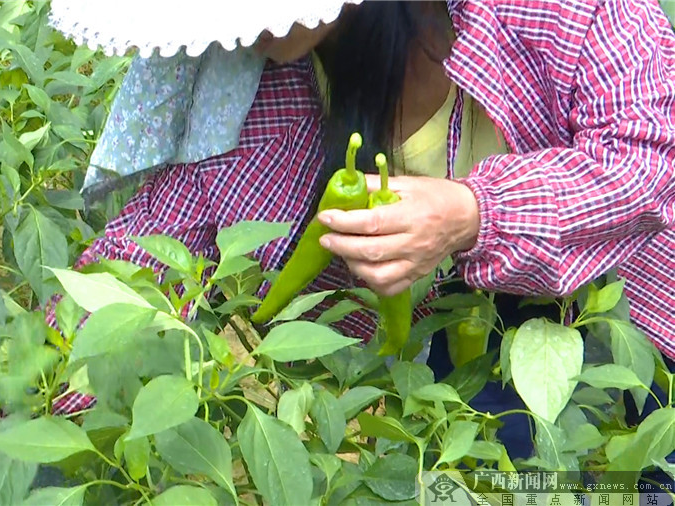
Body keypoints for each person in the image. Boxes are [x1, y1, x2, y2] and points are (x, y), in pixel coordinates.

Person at [46, 0, 675, 466]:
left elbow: (646, 166)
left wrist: (471, 212)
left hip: (621, 306)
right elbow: (156, 236)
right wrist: (43, 379)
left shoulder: (560, 14)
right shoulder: (248, 73)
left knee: (637, 460)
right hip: (444, 336)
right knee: (493, 460)